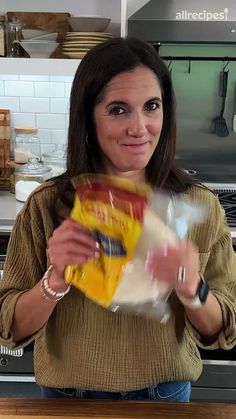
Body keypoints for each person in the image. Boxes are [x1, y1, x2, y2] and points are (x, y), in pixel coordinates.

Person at [0, 37, 236, 403]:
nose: (139, 127)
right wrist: (56, 279)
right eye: (118, 109)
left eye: (151, 106)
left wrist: (193, 291)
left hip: (165, 399)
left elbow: (222, 331)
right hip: (68, 400)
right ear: (88, 117)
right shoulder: (48, 207)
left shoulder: (198, 207)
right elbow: (10, 329)